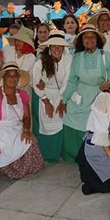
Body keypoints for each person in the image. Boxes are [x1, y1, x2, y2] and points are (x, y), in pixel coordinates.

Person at [59, 24, 110, 162]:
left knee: (94, 124)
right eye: (86, 37)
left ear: (97, 40)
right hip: (80, 95)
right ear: (81, 41)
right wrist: (64, 100)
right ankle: (72, 156)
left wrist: (107, 94)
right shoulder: (77, 57)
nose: (89, 40)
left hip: (98, 96)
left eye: (92, 37)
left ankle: (91, 157)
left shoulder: (106, 57)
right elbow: (72, 81)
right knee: (70, 117)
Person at [0, 62, 44, 179]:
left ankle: (14, 164)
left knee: (30, 142)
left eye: (15, 76)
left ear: (18, 78)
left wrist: (26, 130)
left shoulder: (22, 95)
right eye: (9, 75)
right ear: (3, 78)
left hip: (16, 129)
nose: (12, 79)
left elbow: (27, 117)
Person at [32, 31, 73, 162]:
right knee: (45, 125)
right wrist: (46, 102)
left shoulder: (68, 60)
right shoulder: (40, 61)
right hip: (44, 96)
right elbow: (35, 83)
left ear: (64, 47)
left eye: (60, 46)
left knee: (60, 122)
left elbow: (67, 81)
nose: (57, 49)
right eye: (53, 46)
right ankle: (46, 155)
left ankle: (59, 153)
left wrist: (62, 100)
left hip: (61, 95)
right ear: (49, 47)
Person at [4, 31, 36, 96]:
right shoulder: (7, 50)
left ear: (27, 43)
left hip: (23, 91)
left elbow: (32, 78)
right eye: (17, 40)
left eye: (21, 41)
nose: (18, 43)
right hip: (6, 88)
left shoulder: (31, 58)